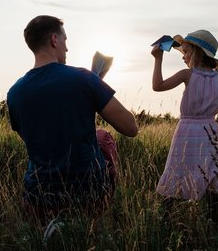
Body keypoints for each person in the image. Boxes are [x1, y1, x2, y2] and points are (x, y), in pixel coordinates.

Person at [7, 15, 138, 223]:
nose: (67, 49)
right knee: (103, 137)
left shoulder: (14, 92)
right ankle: (90, 225)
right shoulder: (83, 78)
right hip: (86, 194)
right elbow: (131, 127)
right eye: (65, 41)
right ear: (54, 40)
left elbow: (34, 142)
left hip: (37, 197)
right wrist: (94, 94)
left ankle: (52, 227)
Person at [151, 29, 218, 222]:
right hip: (210, 134)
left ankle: (167, 222)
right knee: (212, 176)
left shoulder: (187, 75)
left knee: (177, 173)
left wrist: (157, 58)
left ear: (197, 52)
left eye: (186, 52)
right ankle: (214, 225)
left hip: (186, 134)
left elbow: (157, 86)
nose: (183, 57)